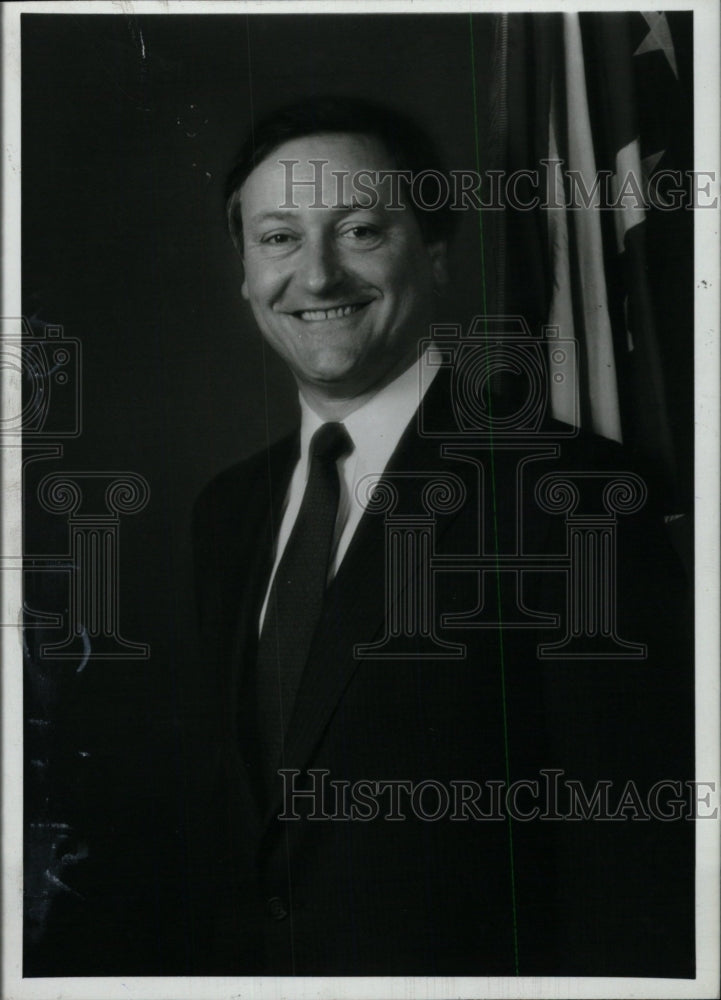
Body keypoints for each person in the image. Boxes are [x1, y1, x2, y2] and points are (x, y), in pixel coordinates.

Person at [191, 96, 694, 977]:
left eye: (358, 230)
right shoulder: (226, 511)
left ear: (435, 253)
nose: (314, 278)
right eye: (277, 238)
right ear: (242, 271)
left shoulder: (574, 495)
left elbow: (633, 868)